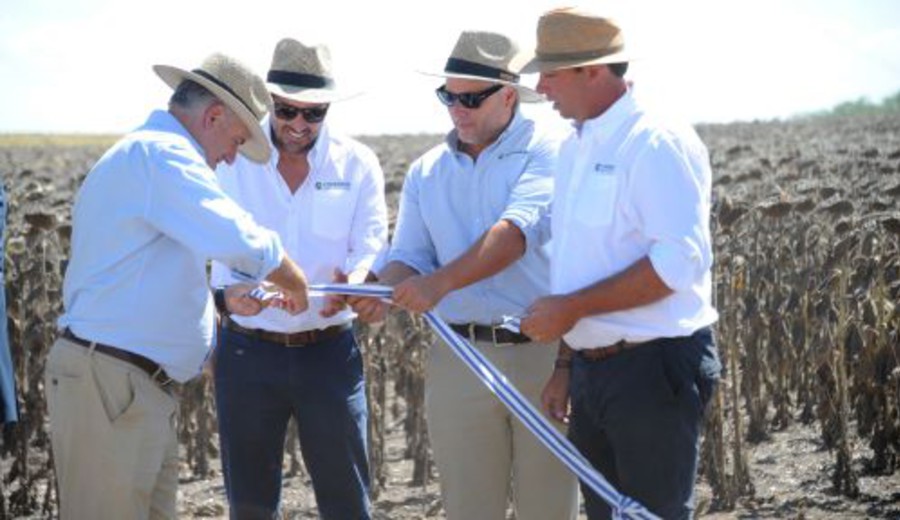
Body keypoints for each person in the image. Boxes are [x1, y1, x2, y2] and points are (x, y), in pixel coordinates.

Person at [45, 53, 310, 520]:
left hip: (128, 388)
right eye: (236, 141)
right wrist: (295, 281)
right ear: (213, 116)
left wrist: (220, 302)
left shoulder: (148, 157)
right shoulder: (161, 155)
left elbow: (144, 276)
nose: (231, 156)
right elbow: (240, 239)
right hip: (112, 385)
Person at [350, 31, 577, 520]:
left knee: (548, 507)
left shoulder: (549, 151)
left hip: (542, 356)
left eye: (471, 99)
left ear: (509, 96)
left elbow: (514, 235)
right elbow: (410, 256)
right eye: (448, 97)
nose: (457, 109)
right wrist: (380, 291)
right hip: (458, 357)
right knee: (468, 508)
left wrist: (436, 286)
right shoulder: (427, 170)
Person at [518, 7, 723, 520]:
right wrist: (566, 365)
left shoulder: (655, 142)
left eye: (550, 73)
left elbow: (678, 263)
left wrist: (571, 309)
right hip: (593, 373)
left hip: (653, 368)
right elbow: (580, 267)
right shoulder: (575, 147)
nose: (541, 87)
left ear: (592, 71)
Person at [209, 38, 388, 520]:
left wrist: (354, 282)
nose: (298, 124)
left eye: (314, 113)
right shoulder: (232, 161)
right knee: (249, 505)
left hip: (328, 352)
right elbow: (209, 244)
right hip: (246, 352)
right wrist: (225, 299)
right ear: (269, 102)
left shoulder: (357, 162)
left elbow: (371, 243)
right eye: (287, 110)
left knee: (347, 501)